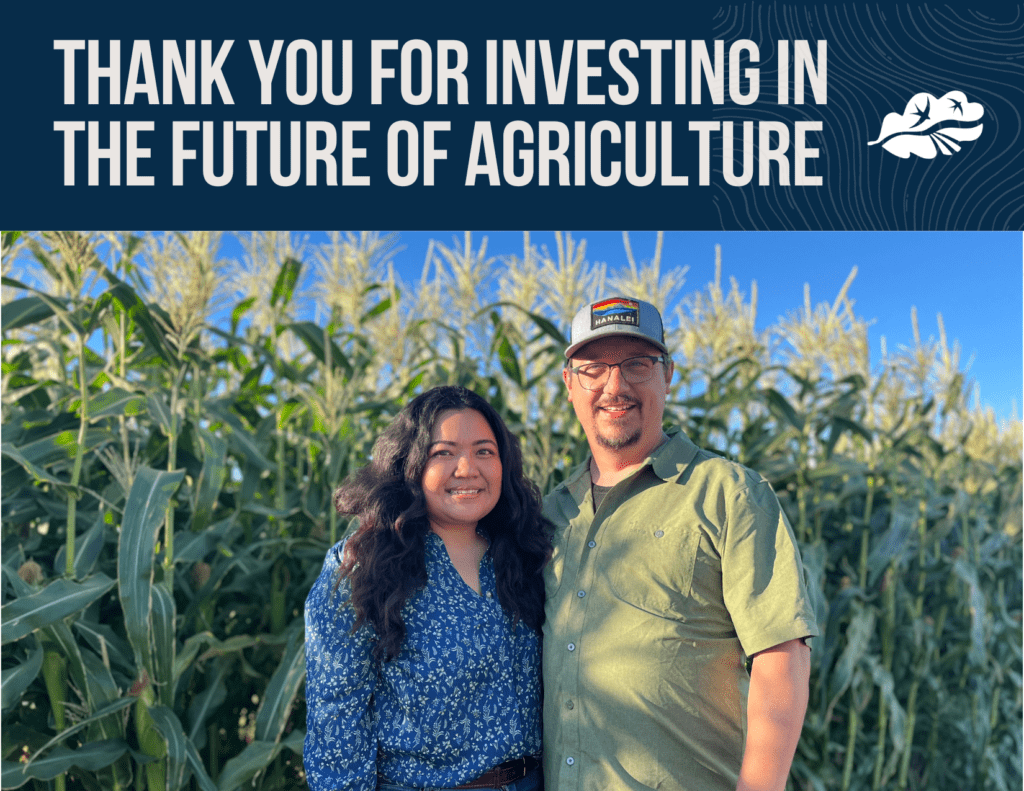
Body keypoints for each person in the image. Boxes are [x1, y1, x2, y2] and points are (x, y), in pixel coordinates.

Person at [543, 296, 819, 791]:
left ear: (668, 375)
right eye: (593, 369)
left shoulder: (728, 492)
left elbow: (782, 652)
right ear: (569, 384)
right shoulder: (551, 515)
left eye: (637, 365)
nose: (615, 385)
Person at [304, 385, 550, 791]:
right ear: (410, 463)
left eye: (485, 451)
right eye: (444, 452)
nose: (467, 468)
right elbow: (337, 718)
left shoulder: (524, 553)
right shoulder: (362, 565)